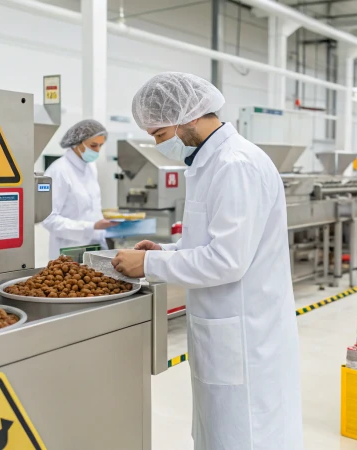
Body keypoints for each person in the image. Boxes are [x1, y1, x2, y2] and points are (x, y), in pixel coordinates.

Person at [111, 72, 303, 450]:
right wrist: (164, 253)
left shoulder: (236, 165)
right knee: (219, 430)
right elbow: (207, 242)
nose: (158, 144)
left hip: (246, 333)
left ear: (189, 117)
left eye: (159, 134)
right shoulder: (208, 163)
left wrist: (148, 268)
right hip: (222, 327)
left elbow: (227, 261)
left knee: (244, 434)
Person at [42, 119, 116, 259]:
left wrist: (103, 221)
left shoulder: (90, 168)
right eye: (93, 145)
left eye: (101, 145)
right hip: (68, 250)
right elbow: (49, 219)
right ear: (77, 143)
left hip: (94, 246)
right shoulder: (58, 171)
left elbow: (88, 209)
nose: (97, 150)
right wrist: (90, 226)